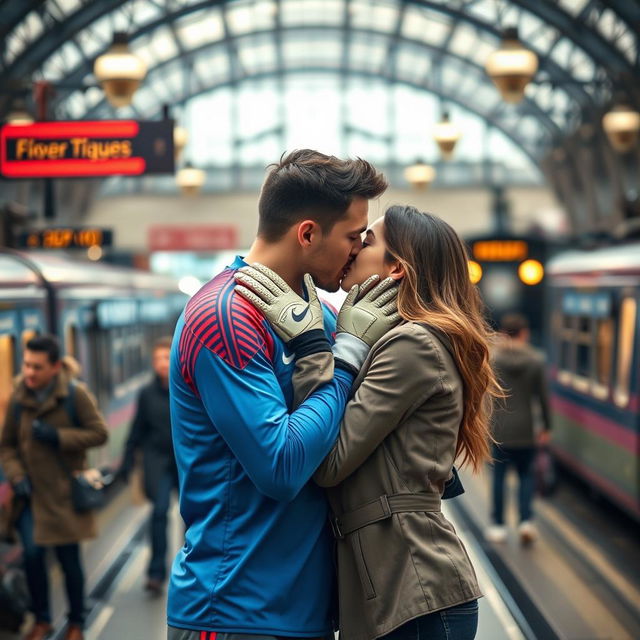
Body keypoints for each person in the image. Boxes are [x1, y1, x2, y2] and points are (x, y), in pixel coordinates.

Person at [238, 206, 503, 640]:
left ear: (397, 267)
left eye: (369, 241)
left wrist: (313, 349)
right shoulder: (400, 338)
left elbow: (326, 462)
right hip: (399, 586)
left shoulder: (411, 343)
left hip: (413, 590)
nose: (356, 247)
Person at [167, 149, 401, 640]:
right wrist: (346, 358)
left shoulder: (318, 312)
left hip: (303, 612)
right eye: (353, 236)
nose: (358, 249)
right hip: (234, 612)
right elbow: (281, 466)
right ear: (308, 233)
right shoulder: (226, 316)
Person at [0, 335, 109, 640]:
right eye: (26, 365)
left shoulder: (75, 395)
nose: (29, 373)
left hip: (63, 497)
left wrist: (57, 436)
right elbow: (6, 445)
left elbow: (99, 433)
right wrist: (16, 474)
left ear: (55, 367)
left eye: (37, 367)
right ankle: (42, 619)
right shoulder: (19, 397)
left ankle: (76, 621)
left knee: (68, 560)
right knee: (33, 559)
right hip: (30, 495)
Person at [119, 336, 178, 595]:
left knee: (194, 515)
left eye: (166, 358)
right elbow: (137, 429)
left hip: (186, 461)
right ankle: (156, 573)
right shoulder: (146, 394)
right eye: (157, 359)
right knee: (158, 513)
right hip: (158, 461)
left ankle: (196, 569)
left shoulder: (188, 388)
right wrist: (127, 461)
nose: (161, 364)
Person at [485, 313, 551, 545]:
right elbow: (542, 398)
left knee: (499, 479)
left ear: (503, 333)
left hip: (499, 428)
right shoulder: (535, 359)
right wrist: (546, 427)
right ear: (524, 333)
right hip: (526, 428)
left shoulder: (492, 358)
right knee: (525, 476)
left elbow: (485, 394)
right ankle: (525, 522)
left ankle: (498, 525)